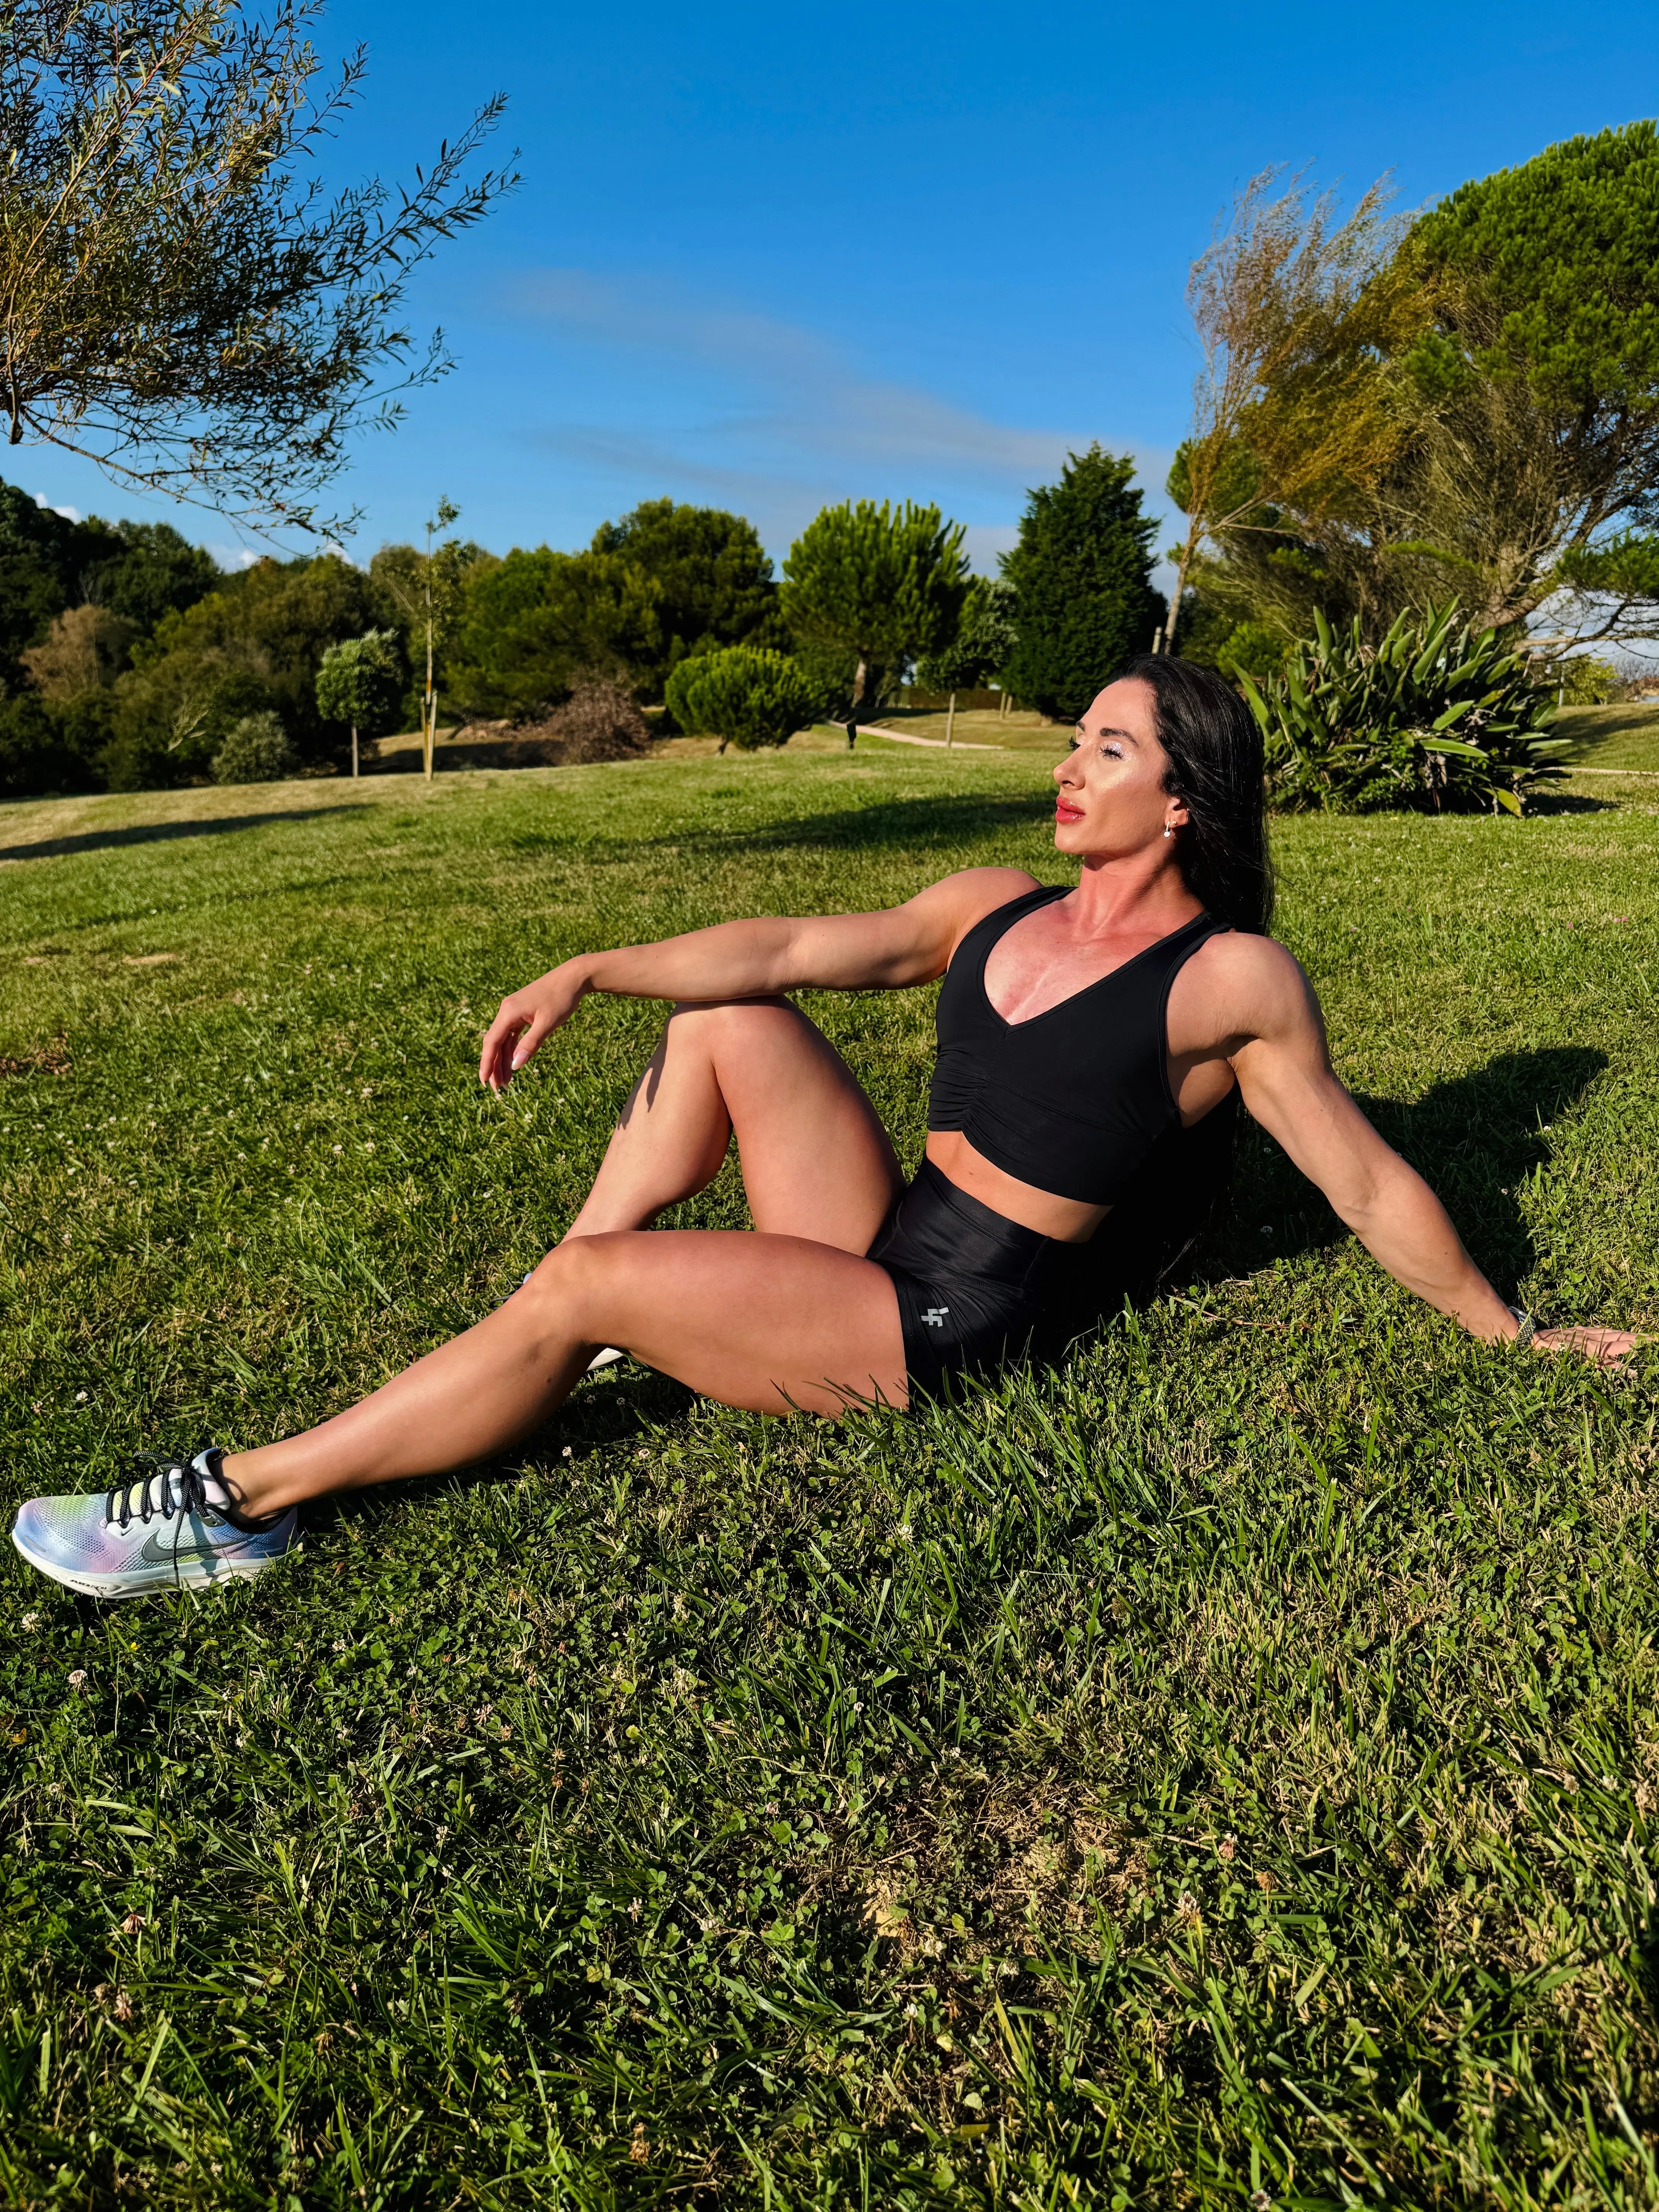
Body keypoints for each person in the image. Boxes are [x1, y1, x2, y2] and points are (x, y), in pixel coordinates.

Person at [11, 659, 1632, 1599]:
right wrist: (595, 966)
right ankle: (582, 1321)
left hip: (946, 1322)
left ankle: (239, 1507)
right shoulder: (992, 904)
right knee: (722, 1019)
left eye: (1108, 751)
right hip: (884, 1230)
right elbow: (787, 955)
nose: (1068, 770)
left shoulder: (1230, 982)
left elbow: (1358, 1176)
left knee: (586, 1283)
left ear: (1186, 797)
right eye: (1072, 741)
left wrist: (1510, 1334)